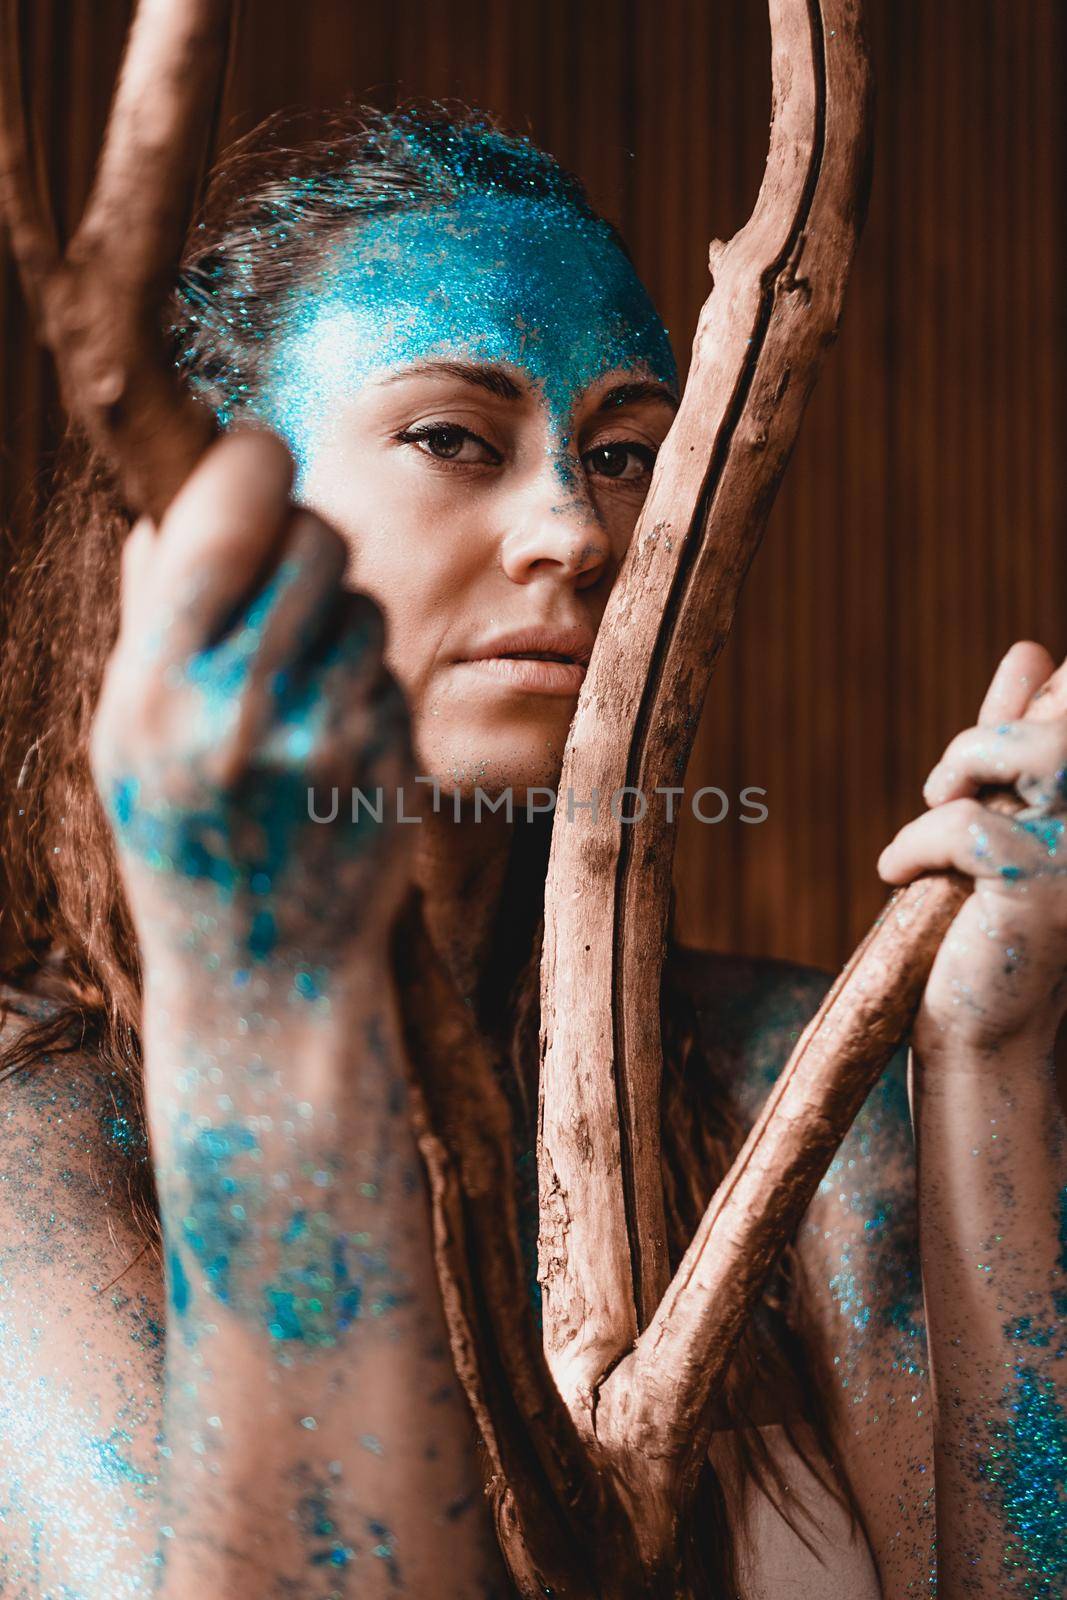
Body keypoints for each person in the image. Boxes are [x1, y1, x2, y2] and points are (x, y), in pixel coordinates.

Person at [0, 105, 1064, 1600]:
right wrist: (272, 1034)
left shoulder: (791, 1094)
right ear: (203, 519)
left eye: (627, 453)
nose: (575, 525)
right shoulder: (37, 1157)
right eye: (452, 438)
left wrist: (990, 1066)